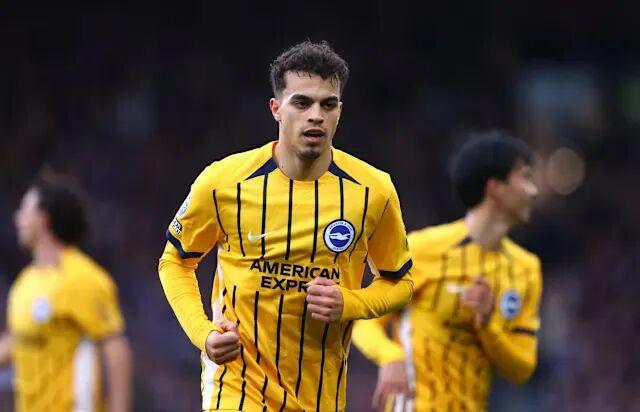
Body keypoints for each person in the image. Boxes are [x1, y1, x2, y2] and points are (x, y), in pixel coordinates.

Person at [158, 40, 414, 411]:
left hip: (321, 396)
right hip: (237, 388)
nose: (316, 116)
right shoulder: (223, 181)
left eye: (328, 104)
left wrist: (351, 302)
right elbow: (175, 261)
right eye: (302, 103)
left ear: (340, 111)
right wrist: (203, 333)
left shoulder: (374, 191)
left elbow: (400, 282)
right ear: (276, 109)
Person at [352, 133, 542, 411]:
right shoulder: (423, 249)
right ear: (495, 187)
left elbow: (522, 369)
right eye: (524, 177)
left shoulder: (526, 269)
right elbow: (365, 324)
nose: (533, 191)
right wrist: (390, 356)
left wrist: (488, 324)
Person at [0, 172, 133, 412]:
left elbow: (115, 349)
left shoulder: (83, 278)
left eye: (24, 209)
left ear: (44, 218)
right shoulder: (24, 283)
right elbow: (17, 340)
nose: (17, 218)